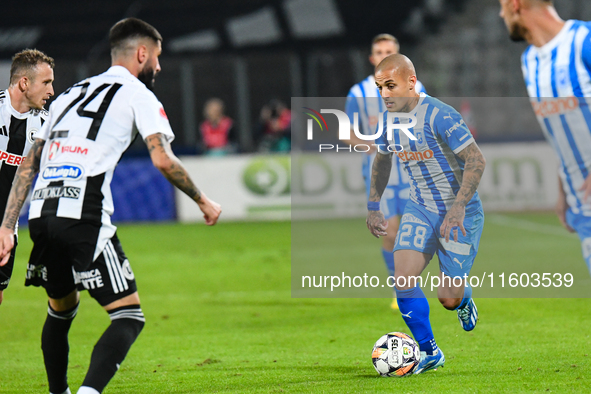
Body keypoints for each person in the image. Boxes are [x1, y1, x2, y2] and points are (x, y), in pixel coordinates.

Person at [0, 18, 221, 394]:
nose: (159, 66)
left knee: (62, 309)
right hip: (83, 209)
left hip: (40, 211)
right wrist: (203, 200)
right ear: (141, 54)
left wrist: (7, 225)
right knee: (128, 316)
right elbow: (164, 160)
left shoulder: (69, 94)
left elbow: (29, 162)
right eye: (157, 57)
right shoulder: (140, 95)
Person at [366, 54, 486, 374]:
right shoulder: (389, 121)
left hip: (461, 213)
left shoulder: (440, 115)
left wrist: (458, 207)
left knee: (447, 296)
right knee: (402, 279)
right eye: (380, 88)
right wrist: (373, 205)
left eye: (391, 85)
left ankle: (463, 299)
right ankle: (429, 351)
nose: (385, 94)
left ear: (411, 81)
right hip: (420, 208)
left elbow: (476, 161)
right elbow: (382, 160)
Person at [499, 0, 591, 275]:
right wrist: (562, 188)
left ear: (515, 5)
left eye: (502, 6)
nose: (500, 13)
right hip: (582, 204)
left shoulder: (583, 41)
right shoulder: (529, 62)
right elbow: (559, 131)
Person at [345, 34, 426, 310]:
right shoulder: (358, 93)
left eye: (389, 51)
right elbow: (346, 133)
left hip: (412, 170)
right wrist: (371, 146)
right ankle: (400, 286)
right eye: (379, 51)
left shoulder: (415, 87)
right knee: (391, 232)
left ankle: (410, 280)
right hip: (381, 175)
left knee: (419, 231)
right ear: (372, 58)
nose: (383, 55)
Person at [0, 49, 54, 305]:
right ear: (24, 83)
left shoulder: (46, 126)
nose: (51, 91)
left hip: (6, 226)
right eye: (46, 82)